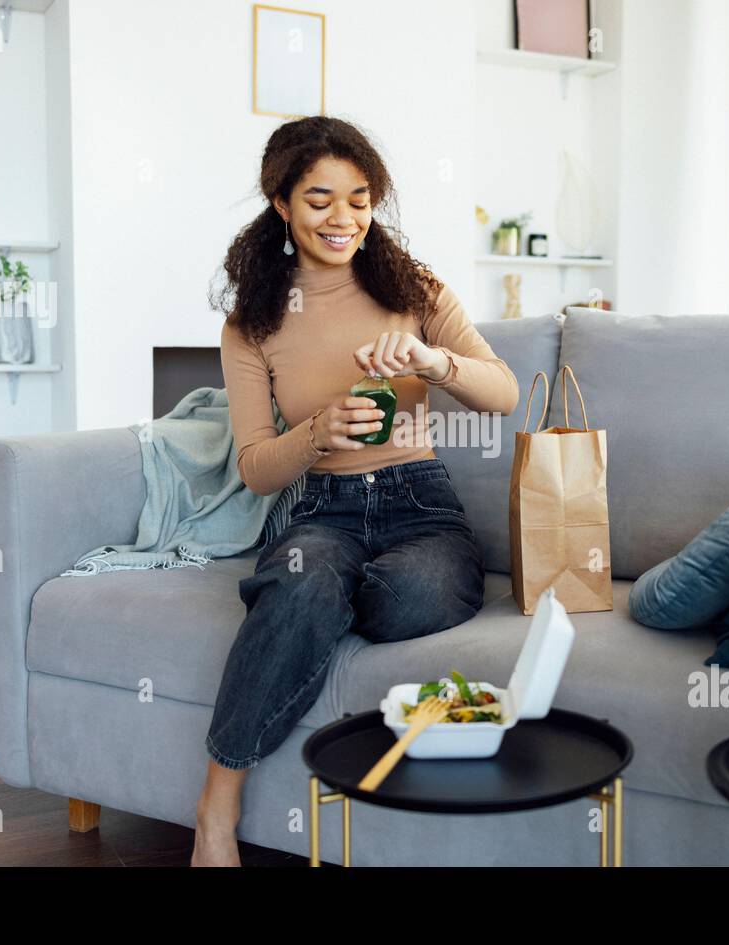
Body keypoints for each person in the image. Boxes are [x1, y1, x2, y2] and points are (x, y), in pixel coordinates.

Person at [192, 116, 519, 865]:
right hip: (323, 509)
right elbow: (254, 465)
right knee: (303, 584)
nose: (343, 218)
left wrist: (434, 363)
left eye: (360, 198)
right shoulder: (252, 323)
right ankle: (216, 811)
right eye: (319, 200)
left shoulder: (415, 288)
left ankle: (318, 604)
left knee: (409, 595)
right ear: (280, 203)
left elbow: (502, 393)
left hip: (421, 507)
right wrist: (316, 432)